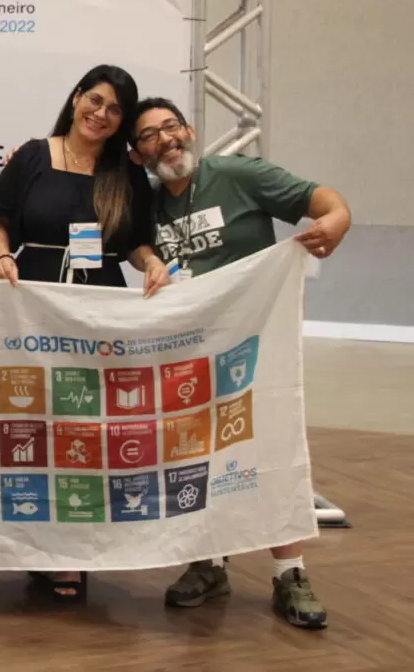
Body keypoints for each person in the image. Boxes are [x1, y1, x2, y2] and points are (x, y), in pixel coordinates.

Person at [130, 97, 351, 629]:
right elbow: (133, 243)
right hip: (188, 354)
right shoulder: (149, 202)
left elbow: (323, 200)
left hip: (253, 349)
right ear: (138, 154)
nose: (165, 140)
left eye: (171, 127)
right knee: (193, 456)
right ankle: (208, 563)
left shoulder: (239, 175)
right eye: (150, 136)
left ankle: (290, 573)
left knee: (268, 452)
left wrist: (338, 220)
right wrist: (149, 259)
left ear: (189, 130)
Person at [0, 64, 168, 599]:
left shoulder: (124, 172)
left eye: (115, 110)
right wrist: (0, 256)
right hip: (32, 308)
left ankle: (76, 548)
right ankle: (34, 544)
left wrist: (152, 263)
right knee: (33, 426)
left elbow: (133, 242)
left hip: (98, 312)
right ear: (77, 97)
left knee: (87, 429)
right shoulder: (33, 155)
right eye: (95, 100)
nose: (101, 114)